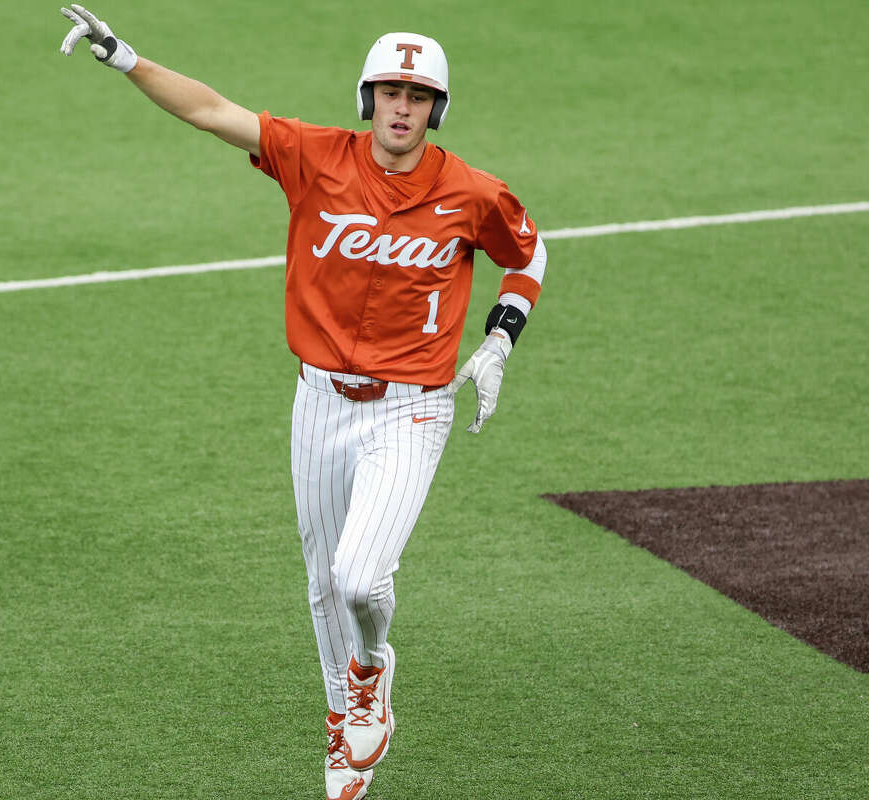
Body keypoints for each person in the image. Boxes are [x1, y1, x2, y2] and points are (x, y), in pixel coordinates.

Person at [59, 7, 549, 799]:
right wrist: (127, 59)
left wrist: (498, 341)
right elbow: (212, 111)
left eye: (418, 96)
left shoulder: (471, 192)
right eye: (390, 90)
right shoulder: (315, 156)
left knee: (360, 579)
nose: (402, 107)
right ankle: (340, 725)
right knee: (322, 584)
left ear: (436, 108)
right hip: (318, 400)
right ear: (368, 97)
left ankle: (372, 669)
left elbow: (531, 254)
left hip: (412, 407)